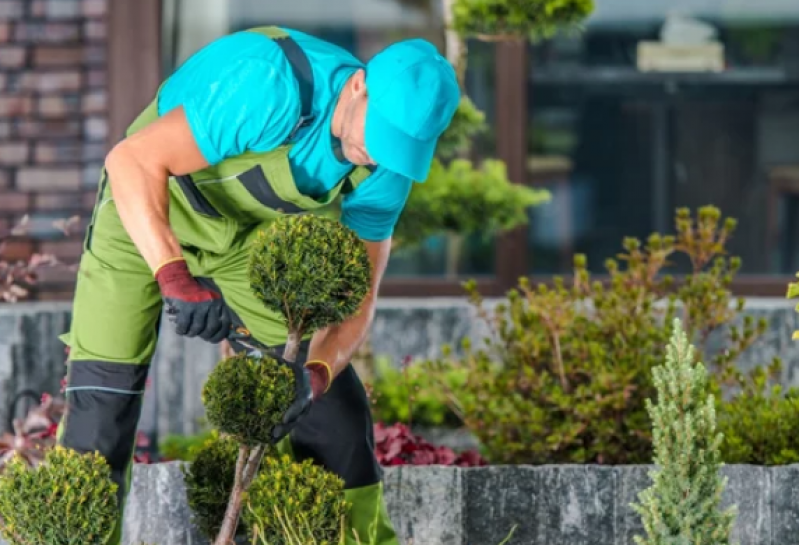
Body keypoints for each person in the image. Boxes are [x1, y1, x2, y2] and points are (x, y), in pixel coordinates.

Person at [56, 24, 459, 545]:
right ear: (358, 85)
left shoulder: (386, 168)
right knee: (102, 400)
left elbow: (358, 297)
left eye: (398, 148)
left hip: (246, 239)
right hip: (144, 208)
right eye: (378, 134)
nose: (378, 155)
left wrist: (314, 374)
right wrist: (175, 275)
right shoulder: (270, 84)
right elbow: (131, 160)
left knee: (327, 402)